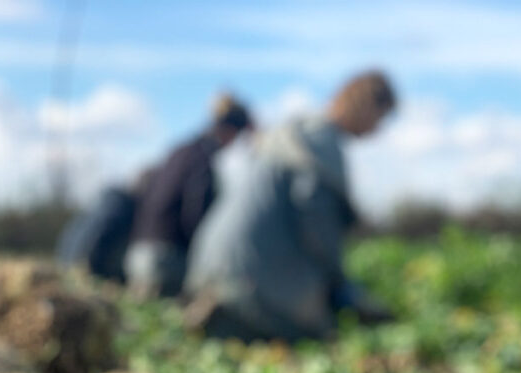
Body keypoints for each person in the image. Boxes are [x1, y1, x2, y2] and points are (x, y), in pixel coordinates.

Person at [183, 70, 396, 342]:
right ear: (367, 107)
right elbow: (317, 222)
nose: (377, 129)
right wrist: (340, 286)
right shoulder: (322, 143)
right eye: (380, 118)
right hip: (251, 282)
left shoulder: (288, 134)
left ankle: (221, 310)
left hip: (205, 269)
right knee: (318, 335)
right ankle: (240, 316)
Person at [125, 94, 253, 298]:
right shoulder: (203, 159)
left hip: (136, 254)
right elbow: (195, 213)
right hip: (167, 261)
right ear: (230, 132)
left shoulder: (179, 150)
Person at [54, 169, 152, 284]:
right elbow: (100, 236)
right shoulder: (123, 208)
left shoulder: (103, 202)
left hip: (64, 260)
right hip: (83, 265)